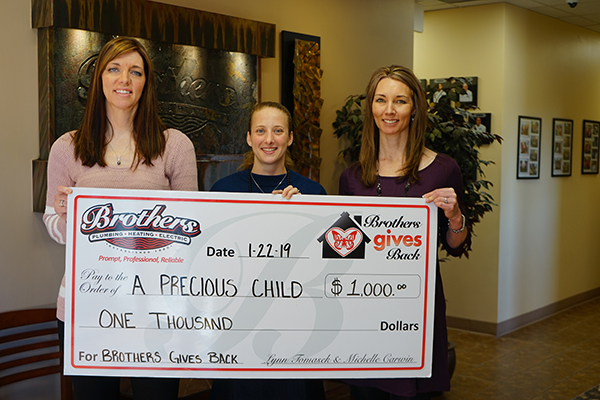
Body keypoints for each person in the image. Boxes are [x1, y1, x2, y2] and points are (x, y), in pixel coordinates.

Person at [43, 37, 198, 400]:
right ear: (100, 79)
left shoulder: (174, 145)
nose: (123, 79)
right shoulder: (67, 146)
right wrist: (68, 214)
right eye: (114, 69)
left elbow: (193, 229)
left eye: (135, 71)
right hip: (87, 306)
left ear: (146, 83)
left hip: (158, 306)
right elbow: (54, 227)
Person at [339, 65, 471, 400]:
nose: (390, 110)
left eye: (400, 101)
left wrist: (455, 216)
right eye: (381, 100)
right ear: (371, 107)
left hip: (418, 312)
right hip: (364, 313)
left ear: (414, 109)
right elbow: (342, 250)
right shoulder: (352, 177)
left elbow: (456, 245)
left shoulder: (443, 169)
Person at [209, 101, 327, 400]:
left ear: (289, 138)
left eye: (278, 131)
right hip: (236, 328)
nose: (269, 139)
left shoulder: (313, 194)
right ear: (249, 137)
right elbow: (210, 262)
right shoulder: (223, 190)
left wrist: (301, 216)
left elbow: (332, 265)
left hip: (297, 331)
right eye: (261, 131)